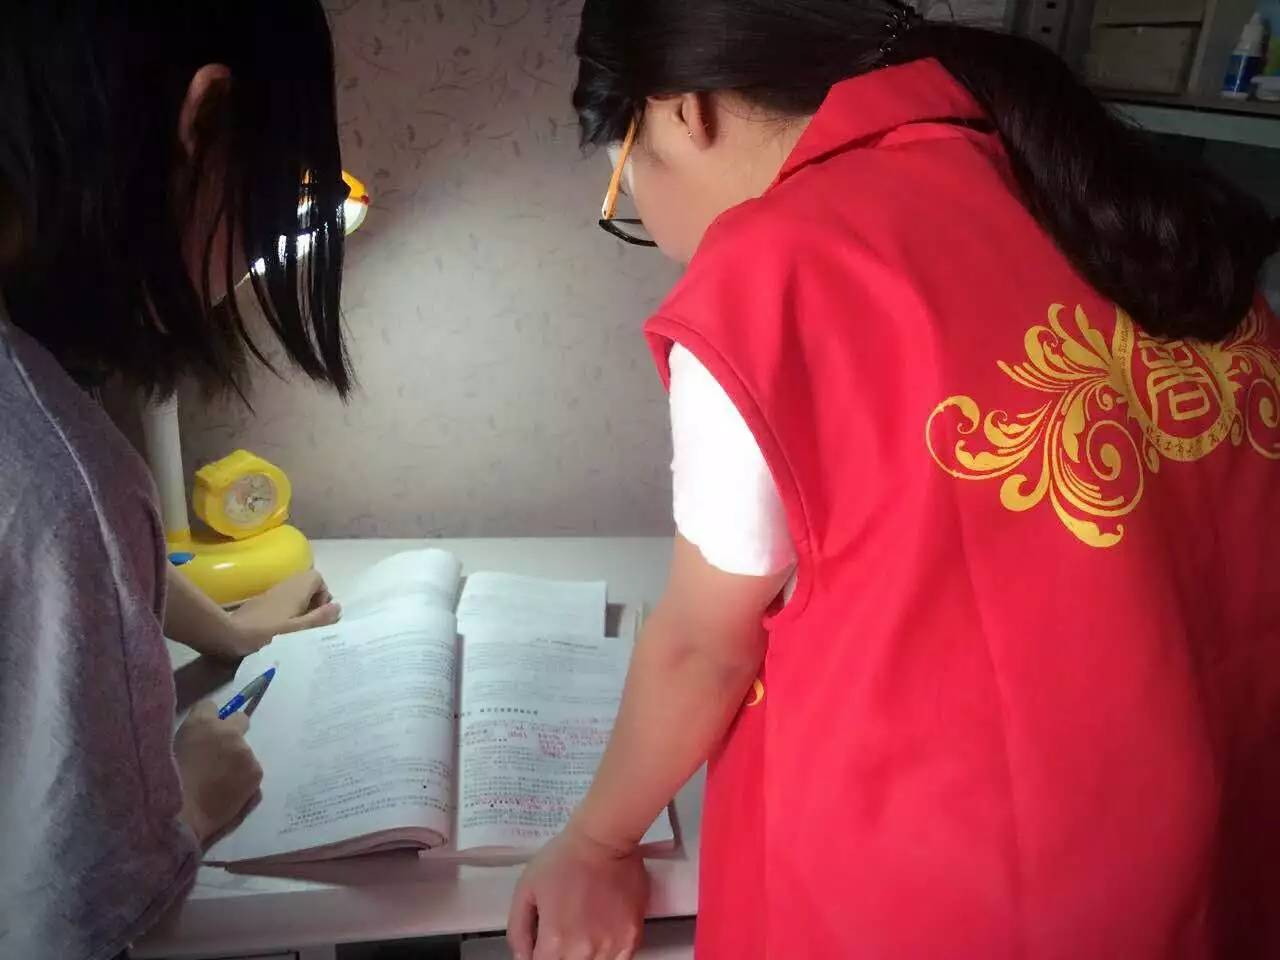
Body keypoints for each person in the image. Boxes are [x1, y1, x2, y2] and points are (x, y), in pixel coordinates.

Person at [510, 2, 1280, 958]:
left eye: (625, 183)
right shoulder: (1123, 204)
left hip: (955, 889)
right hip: (1212, 842)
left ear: (679, 111)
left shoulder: (777, 265)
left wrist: (595, 844)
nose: (655, 227)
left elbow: (704, 647)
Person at [0, 3, 353, 957]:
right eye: (273, 196)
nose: (255, 256)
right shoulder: (57, 476)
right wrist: (193, 803)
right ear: (206, 120)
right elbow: (78, 925)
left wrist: (227, 631)